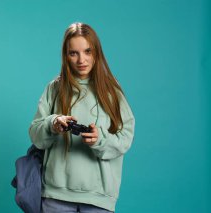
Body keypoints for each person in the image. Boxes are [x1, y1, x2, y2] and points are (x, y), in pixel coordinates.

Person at [29, 22, 135, 213]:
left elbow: (125, 138)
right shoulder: (55, 89)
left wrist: (99, 139)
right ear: (66, 56)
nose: (81, 60)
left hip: (99, 199)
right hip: (55, 196)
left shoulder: (111, 91)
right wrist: (53, 123)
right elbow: (35, 135)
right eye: (73, 53)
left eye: (87, 51)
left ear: (97, 53)